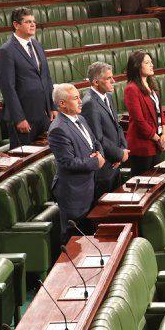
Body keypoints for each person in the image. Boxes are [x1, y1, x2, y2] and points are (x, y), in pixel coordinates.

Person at [47, 83, 105, 242]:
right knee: (74, 238)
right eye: (75, 98)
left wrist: (99, 154)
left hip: (89, 187)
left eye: (80, 97)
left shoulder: (81, 119)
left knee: (88, 237)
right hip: (73, 193)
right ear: (62, 104)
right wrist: (96, 162)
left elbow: (95, 142)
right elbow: (68, 162)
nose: (80, 101)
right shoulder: (58, 129)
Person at [0, 8, 55, 148]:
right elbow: (8, 88)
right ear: (16, 25)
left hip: (44, 114)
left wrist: (53, 106)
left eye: (34, 21)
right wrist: (19, 118)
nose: (33, 24)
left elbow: (46, 78)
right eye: (28, 22)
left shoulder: (37, 45)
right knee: (25, 156)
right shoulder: (6, 51)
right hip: (24, 117)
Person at [81, 61, 127, 190]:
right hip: (105, 167)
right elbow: (98, 137)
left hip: (115, 161)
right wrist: (119, 154)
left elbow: (117, 126)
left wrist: (123, 150)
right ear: (96, 82)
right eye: (108, 78)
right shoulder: (90, 103)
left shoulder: (108, 97)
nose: (113, 81)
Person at [122, 50, 165, 174]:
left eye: (151, 62)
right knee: (144, 181)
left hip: (156, 142)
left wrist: (164, 134)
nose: (151, 65)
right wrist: (158, 139)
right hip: (142, 146)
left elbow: (160, 112)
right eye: (147, 63)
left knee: (157, 179)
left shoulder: (151, 84)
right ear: (137, 66)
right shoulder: (131, 89)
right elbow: (139, 121)